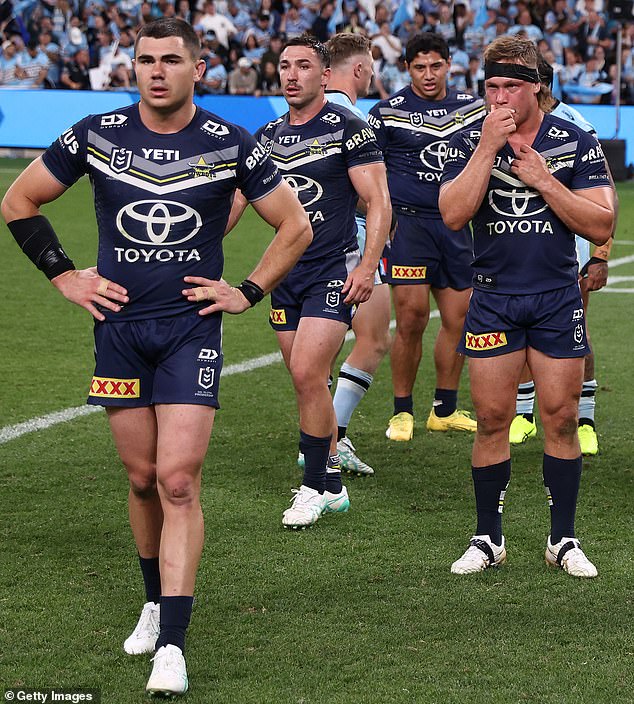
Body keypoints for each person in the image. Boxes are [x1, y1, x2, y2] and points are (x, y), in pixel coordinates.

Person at [2, 17, 310, 696]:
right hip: (117, 330)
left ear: (198, 69)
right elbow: (19, 201)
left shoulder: (230, 143)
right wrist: (63, 274)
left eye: (172, 59)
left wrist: (249, 291)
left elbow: (296, 223)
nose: (157, 70)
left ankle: (173, 642)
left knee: (177, 479)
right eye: (146, 60)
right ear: (132, 68)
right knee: (141, 478)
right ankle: (152, 601)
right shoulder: (96, 134)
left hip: (188, 331)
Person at [439, 35, 614, 578]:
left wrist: (542, 180)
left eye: (511, 85)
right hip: (493, 297)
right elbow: (451, 214)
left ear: (536, 86)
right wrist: (487, 149)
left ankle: (562, 539)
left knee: (560, 419)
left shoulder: (574, 141)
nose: (501, 97)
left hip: (557, 296)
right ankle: (488, 538)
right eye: (492, 87)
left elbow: (601, 222)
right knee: (493, 419)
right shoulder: (469, 139)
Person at [226, 34, 390, 528]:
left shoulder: (349, 128)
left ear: (325, 76)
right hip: (285, 275)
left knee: (305, 373)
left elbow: (379, 201)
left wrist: (366, 266)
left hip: (332, 269)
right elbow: (235, 202)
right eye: (284, 66)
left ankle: (313, 486)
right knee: (308, 384)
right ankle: (333, 484)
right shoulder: (267, 136)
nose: (291, 74)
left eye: (303, 66)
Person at [368, 33, 486, 442]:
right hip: (410, 226)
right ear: (407, 68)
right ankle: (402, 411)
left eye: (436, 66)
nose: (429, 74)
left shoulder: (474, 108)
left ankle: (445, 408)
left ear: (449, 64)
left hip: (457, 225)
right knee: (413, 317)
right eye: (420, 67)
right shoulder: (387, 112)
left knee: (460, 318)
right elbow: (369, 172)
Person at [508, 54, 617, 456]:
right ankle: (523, 413)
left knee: (576, 329)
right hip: (517, 245)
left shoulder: (576, 127)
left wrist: (601, 254)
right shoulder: (500, 125)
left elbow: (606, 196)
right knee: (516, 328)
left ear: (539, 85)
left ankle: (584, 418)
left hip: (567, 245)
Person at [324, 32, 392, 476]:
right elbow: (367, 197)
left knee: (317, 352)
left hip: (305, 248)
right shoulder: (354, 121)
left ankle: (322, 440)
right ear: (361, 69)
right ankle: (332, 439)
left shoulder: (305, 117)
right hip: (353, 244)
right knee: (373, 339)